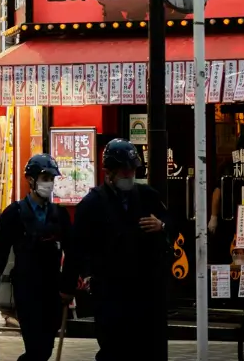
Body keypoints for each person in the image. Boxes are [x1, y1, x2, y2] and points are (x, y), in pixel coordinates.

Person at [65, 139, 172, 361]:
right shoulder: (92, 204)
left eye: (132, 169)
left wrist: (162, 226)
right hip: (109, 290)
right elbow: (76, 247)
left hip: (145, 289)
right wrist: (67, 287)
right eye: (124, 170)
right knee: (113, 349)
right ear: (109, 172)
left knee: (146, 348)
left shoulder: (147, 196)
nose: (129, 174)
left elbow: (174, 223)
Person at [0, 154, 74, 361]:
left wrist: (68, 286)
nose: (49, 183)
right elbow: (0, 252)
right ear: (31, 180)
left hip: (53, 288)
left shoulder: (59, 215)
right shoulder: (14, 213)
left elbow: (72, 251)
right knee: (36, 346)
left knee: (47, 347)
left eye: (52, 178)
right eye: (45, 178)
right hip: (26, 286)